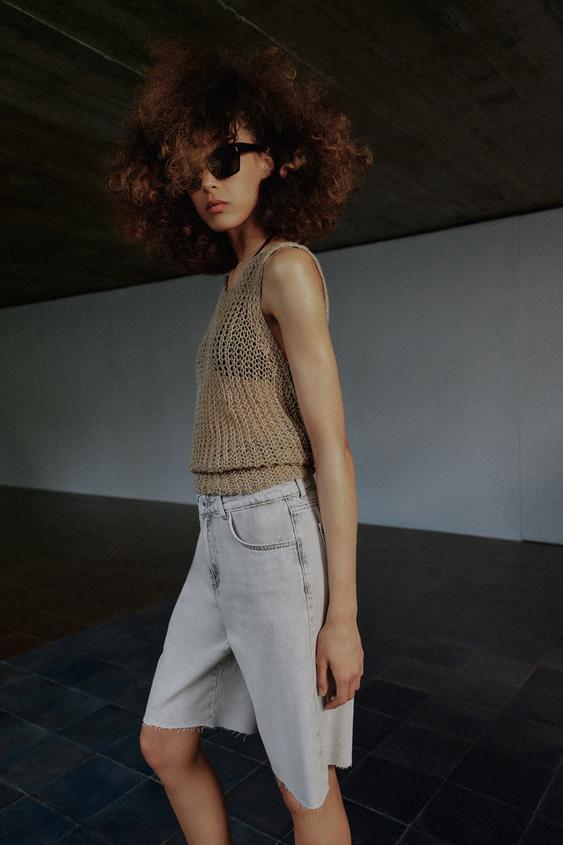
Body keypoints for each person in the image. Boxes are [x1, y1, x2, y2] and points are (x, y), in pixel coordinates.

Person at [104, 38, 372, 845]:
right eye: (191, 171)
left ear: (276, 161)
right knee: (164, 743)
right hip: (215, 537)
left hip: (273, 535)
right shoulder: (232, 282)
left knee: (303, 783)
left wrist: (342, 616)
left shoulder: (286, 269)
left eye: (224, 158)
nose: (208, 184)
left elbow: (332, 448)